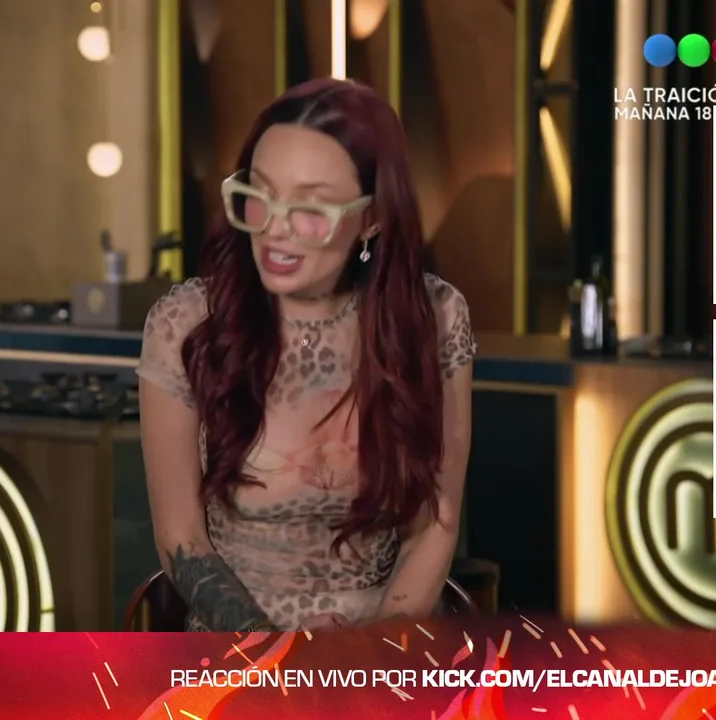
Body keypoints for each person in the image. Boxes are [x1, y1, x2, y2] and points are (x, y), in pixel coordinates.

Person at [137, 78, 476, 633]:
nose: (275, 229)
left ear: (373, 218)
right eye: (260, 195)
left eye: (311, 207)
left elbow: (436, 522)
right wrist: (273, 656)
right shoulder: (188, 325)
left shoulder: (434, 320)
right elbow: (182, 537)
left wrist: (365, 654)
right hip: (238, 650)